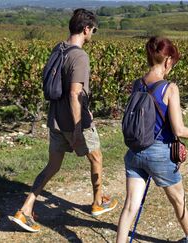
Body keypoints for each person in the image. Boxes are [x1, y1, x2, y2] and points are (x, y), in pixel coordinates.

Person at [9, 8, 117, 233]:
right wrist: (78, 128)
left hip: (55, 119)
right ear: (86, 29)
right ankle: (98, 202)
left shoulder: (58, 49)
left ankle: (26, 209)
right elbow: (74, 94)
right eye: (94, 30)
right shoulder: (80, 56)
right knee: (96, 157)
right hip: (73, 121)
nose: (93, 35)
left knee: (52, 166)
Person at [116, 37, 188, 243]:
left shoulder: (138, 84)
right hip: (160, 154)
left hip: (134, 152)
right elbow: (178, 129)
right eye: (173, 62)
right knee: (179, 200)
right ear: (168, 61)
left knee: (129, 207)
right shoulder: (169, 88)